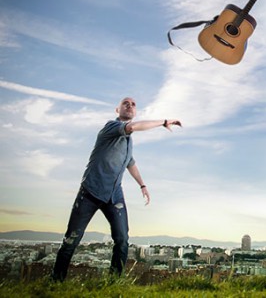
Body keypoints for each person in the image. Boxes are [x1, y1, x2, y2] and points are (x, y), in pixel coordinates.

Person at [51, 97, 181, 281]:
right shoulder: (111, 127)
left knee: (122, 239)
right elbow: (133, 127)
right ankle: (56, 280)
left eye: (133, 104)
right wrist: (164, 122)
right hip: (90, 191)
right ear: (117, 109)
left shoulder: (128, 141)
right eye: (125, 103)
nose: (129, 105)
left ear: (135, 111)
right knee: (72, 239)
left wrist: (143, 185)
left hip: (114, 195)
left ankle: (114, 281)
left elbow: (131, 163)